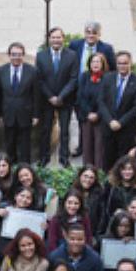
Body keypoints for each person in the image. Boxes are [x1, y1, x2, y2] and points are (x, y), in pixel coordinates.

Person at [35, 27, 78, 167]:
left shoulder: (72, 55)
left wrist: (61, 96)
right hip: (46, 100)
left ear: (63, 39)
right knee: (45, 130)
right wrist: (50, 97)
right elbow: (39, 79)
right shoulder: (41, 56)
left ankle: (64, 158)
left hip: (65, 100)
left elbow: (73, 78)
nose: (56, 40)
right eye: (53, 37)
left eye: (59, 37)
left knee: (64, 130)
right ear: (49, 39)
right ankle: (44, 157)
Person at [99, 51, 136, 171]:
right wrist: (110, 121)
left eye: (125, 63)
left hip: (127, 131)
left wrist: (120, 123)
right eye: (119, 63)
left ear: (130, 63)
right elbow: (101, 102)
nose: (122, 66)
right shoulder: (107, 78)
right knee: (107, 163)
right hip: (108, 129)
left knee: (125, 165)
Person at [0, 42, 40, 163]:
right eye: (14, 54)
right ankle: (11, 169)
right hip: (8, 114)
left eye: (19, 54)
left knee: (25, 145)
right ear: (9, 55)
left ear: (23, 56)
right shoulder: (1, 71)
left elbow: (36, 94)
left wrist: (36, 115)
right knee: (9, 144)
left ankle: (25, 168)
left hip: (25, 113)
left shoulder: (32, 71)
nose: (16, 57)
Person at [75, 52, 108, 169]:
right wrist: (88, 113)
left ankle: (99, 172)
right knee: (87, 146)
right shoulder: (84, 76)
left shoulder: (108, 78)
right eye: (93, 61)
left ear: (103, 64)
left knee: (99, 147)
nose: (95, 64)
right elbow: (80, 97)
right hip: (86, 116)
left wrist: (98, 114)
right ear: (89, 63)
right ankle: (87, 171)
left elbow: (107, 99)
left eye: (98, 61)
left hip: (101, 118)